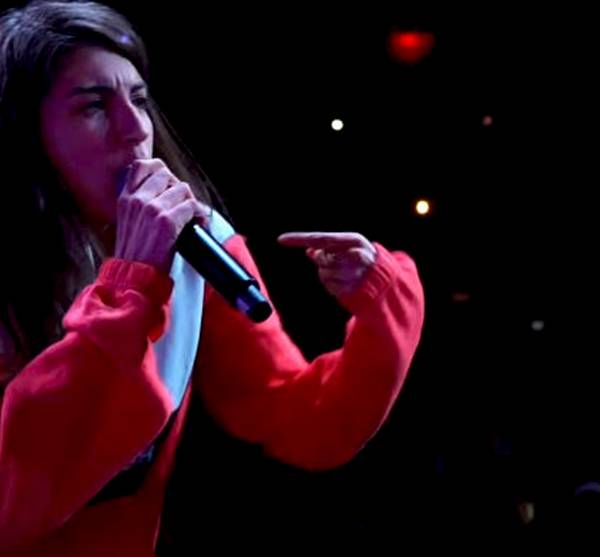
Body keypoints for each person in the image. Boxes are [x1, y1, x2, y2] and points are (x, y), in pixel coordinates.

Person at [0, 1, 425, 554]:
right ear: (24, 133)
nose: (135, 129)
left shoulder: (193, 247)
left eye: (139, 101)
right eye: (94, 106)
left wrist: (381, 303)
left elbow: (300, 419)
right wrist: (128, 290)